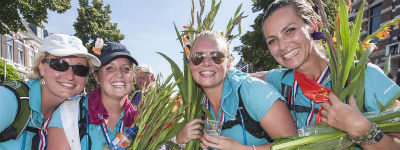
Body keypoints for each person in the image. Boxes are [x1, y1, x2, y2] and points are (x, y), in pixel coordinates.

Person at [252, 0, 400, 149]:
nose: (282, 46)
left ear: (312, 25)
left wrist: (363, 131)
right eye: (272, 41)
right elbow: (247, 77)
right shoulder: (281, 80)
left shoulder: (362, 75)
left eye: (290, 30)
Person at [175, 30, 297, 150]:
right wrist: (180, 140)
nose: (206, 63)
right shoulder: (196, 105)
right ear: (190, 64)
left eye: (216, 56)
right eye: (198, 57)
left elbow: (296, 146)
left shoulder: (254, 91)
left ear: (228, 63)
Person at [0, 34, 100, 150]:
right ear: (41, 67)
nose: (70, 76)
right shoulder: (9, 99)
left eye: (80, 69)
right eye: (59, 65)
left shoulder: (74, 111)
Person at [46, 42, 138, 150]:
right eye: (109, 68)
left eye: (126, 68)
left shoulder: (141, 120)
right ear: (97, 77)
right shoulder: (70, 112)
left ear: (132, 76)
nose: (119, 74)